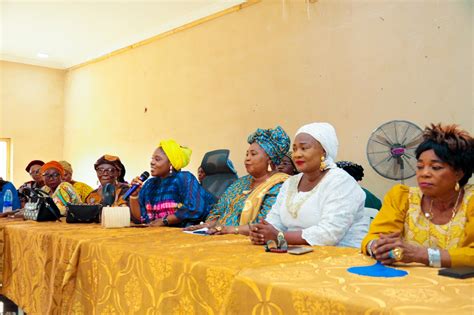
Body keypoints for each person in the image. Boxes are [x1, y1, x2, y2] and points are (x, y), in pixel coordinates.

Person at [361, 123, 474, 267]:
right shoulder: (402, 197)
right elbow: (374, 237)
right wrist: (377, 247)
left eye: (436, 167)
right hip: (409, 285)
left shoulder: (470, 201)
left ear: (459, 172)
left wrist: (420, 254)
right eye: (420, 167)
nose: (424, 173)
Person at [249, 122, 367, 248]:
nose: (297, 154)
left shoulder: (341, 182)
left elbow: (329, 234)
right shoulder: (290, 183)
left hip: (342, 257)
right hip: (295, 253)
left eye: (304, 148)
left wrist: (279, 237)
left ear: (324, 152)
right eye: (294, 149)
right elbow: (274, 222)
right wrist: (261, 232)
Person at [185, 126, 291, 235]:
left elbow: (265, 224)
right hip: (217, 236)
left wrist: (229, 230)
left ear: (270, 159)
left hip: (250, 243)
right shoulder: (240, 182)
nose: (247, 158)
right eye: (247, 154)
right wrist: (208, 225)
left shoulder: (280, 185)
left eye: (253, 154)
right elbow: (218, 209)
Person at [129, 139, 216, 227]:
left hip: (185, 234)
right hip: (157, 235)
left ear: (171, 163)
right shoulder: (149, 184)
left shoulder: (184, 178)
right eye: (152, 159)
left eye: (157, 159)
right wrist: (134, 196)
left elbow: (195, 209)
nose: (152, 162)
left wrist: (164, 220)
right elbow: (140, 219)